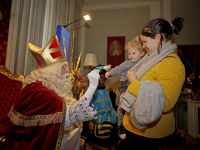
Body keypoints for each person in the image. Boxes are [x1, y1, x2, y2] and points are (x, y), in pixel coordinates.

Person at [0, 33, 100, 150]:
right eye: (63, 67)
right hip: (33, 141)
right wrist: (92, 86)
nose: (68, 71)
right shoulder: (40, 91)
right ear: (52, 71)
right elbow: (70, 117)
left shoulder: (50, 87)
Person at [117, 17, 185, 150]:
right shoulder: (151, 59)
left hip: (149, 135)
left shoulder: (172, 63)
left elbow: (165, 102)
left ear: (158, 38)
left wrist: (134, 83)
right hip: (136, 129)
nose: (143, 46)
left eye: (145, 42)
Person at [105, 36, 146, 139]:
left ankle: (134, 125)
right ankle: (120, 126)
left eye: (133, 53)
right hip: (125, 85)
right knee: (123, 103)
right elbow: (118, 69)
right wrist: (110, 72)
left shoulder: (144, 63)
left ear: (142, 54)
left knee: (135, 105)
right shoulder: (128, 63)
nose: (131, 56)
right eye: (129, 53)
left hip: (135, 85)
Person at [81, 65, 119, 148]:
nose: (102, 77)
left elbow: (111, 109)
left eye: (103, 74)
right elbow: (94, 117)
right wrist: (112, 119)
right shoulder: (92, 94)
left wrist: (117, 116)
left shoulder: (105, 92)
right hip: (98, 126)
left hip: (108, 123)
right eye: (99, 74)